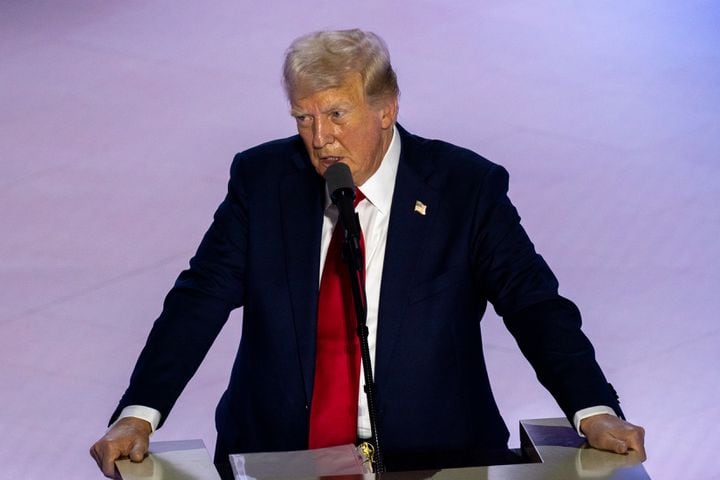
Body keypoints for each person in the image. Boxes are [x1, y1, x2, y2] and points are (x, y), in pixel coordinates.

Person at [90, 29, 645, 479]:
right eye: (302, 118)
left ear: (386, 109)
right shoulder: (262, 182)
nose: (319, 138)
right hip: (279, 453)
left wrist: (592, 408)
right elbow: (199, 298)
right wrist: (139, 413)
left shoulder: (464, 188)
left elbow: (533, 304)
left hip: (435, 457)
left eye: (336, 114)